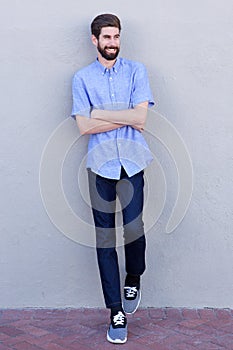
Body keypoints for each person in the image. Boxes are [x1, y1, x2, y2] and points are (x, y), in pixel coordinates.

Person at [71, 13, 154, 344]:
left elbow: (142, 119)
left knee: (134, 228)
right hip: (100, 168)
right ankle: (115, 311)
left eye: (116, 37)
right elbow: (82, 127)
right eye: (107, 37)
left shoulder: (136, 71)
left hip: (133, 162)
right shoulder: (81, 79)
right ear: (95, 40)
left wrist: (98, 113)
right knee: (105, 241)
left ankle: (134, 274)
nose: (112, 43)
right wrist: (125, 117)